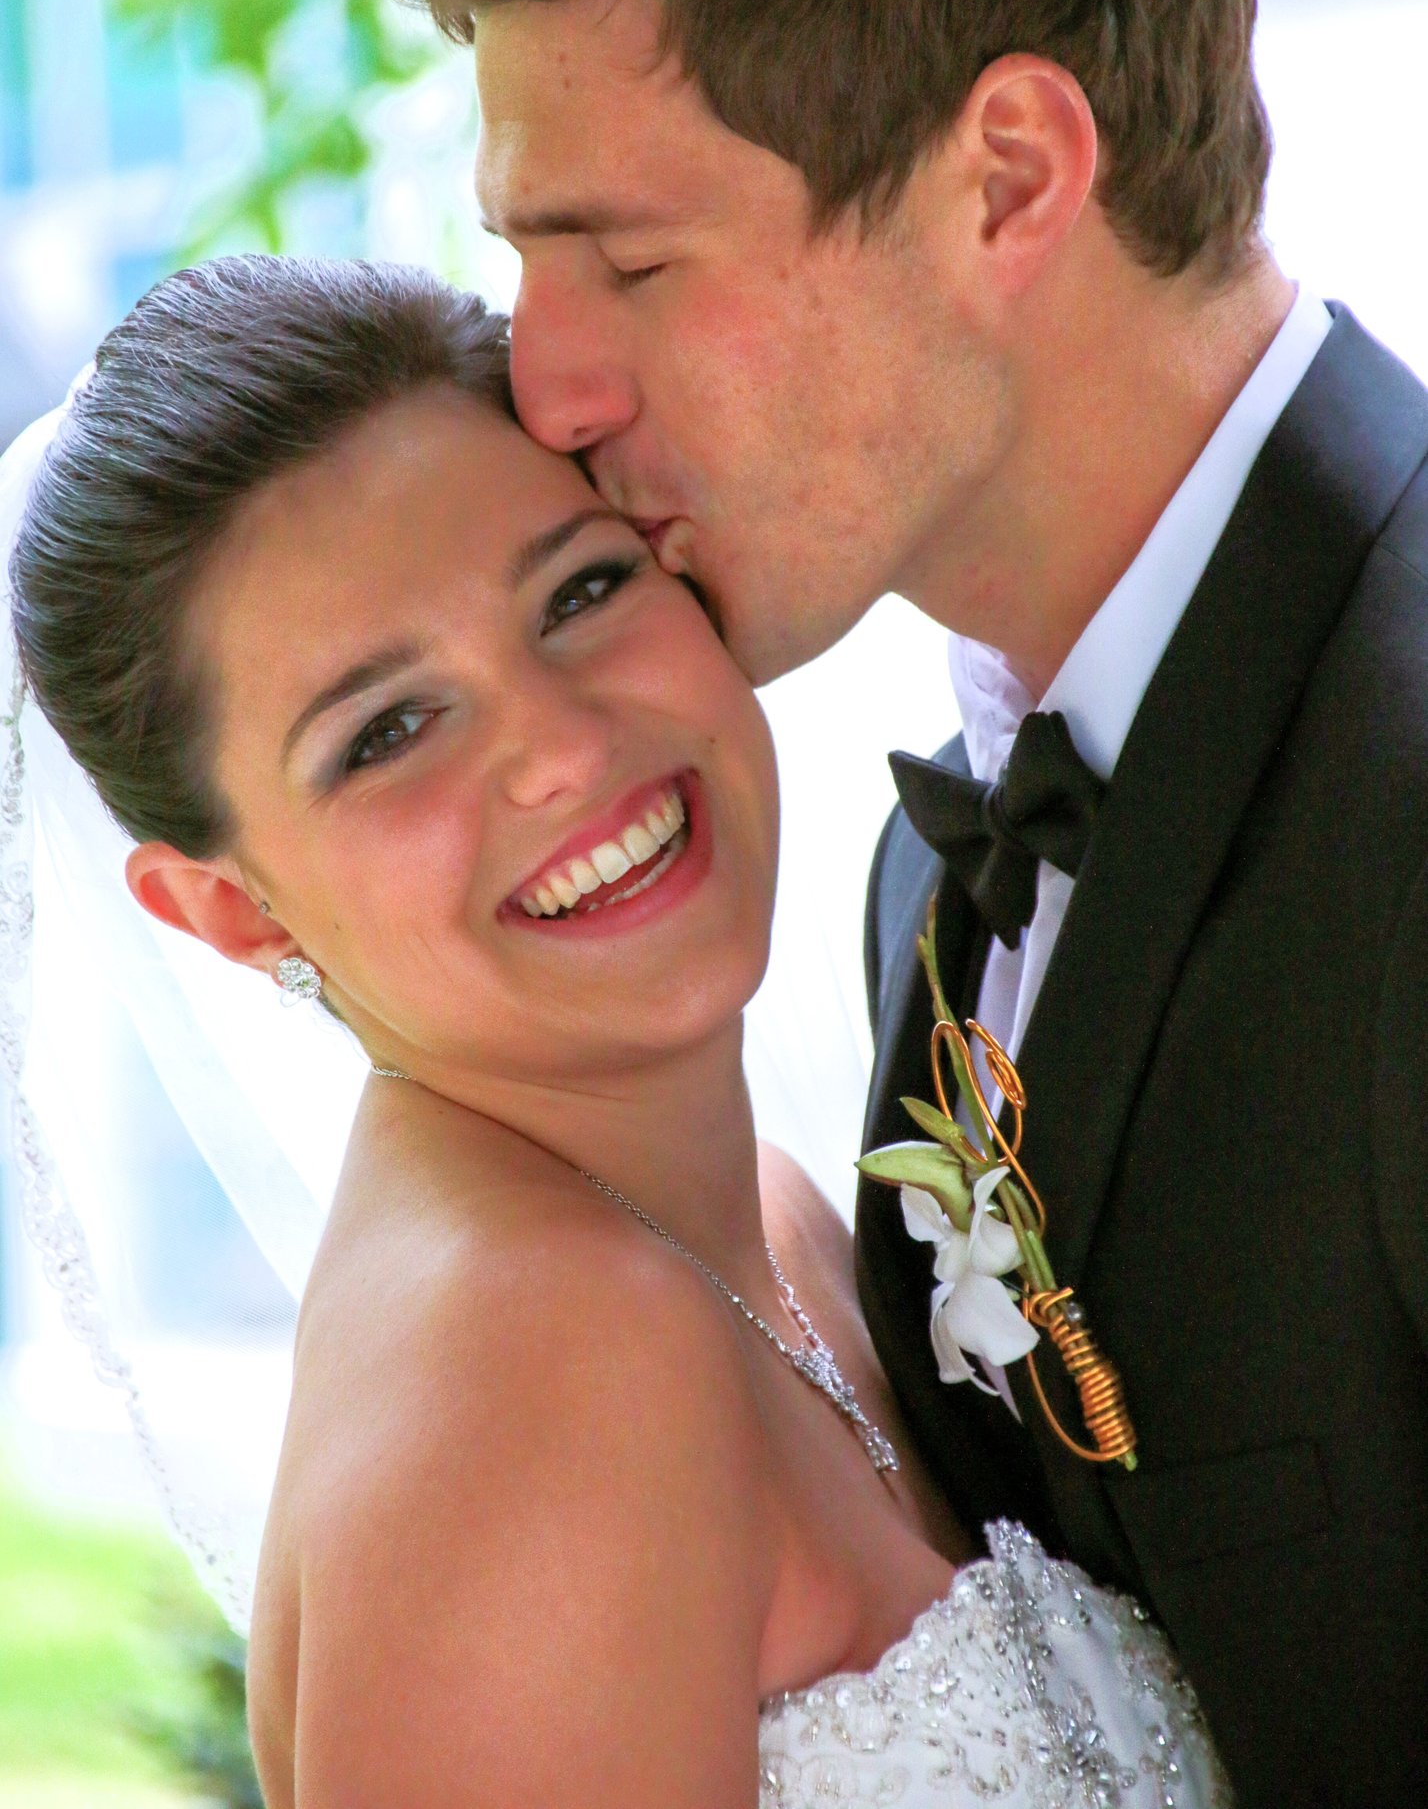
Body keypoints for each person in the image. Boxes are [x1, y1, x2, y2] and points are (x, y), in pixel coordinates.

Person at [385, 0, 1428, 1802]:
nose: (551, 387)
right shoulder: (925, 871)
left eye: (623, 257)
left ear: (1008, 178)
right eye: (523, 266)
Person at [6, 252, 1229, 1807]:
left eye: (581, 590)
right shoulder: (538, 1395)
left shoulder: (776, 1211)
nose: (563, 746)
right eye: (388, 730)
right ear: (233, 915)